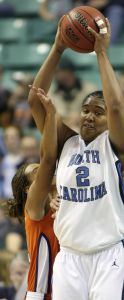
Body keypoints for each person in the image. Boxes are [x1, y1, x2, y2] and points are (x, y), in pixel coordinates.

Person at [28, 17, 124, 300]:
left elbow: (116, 105)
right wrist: (57, 49)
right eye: (86, 110)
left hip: (110, 255)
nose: (90, 115)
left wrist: (101, 53)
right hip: (69, 256)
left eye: (97, 112)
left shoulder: (115, 145)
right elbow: (34, 101)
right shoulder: (67, 142)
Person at [8, 88, 59, 300]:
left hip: (66, 289)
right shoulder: (34, 209)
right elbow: (48, 158)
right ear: (29, 190)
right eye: (36, 172)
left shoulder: (60, 198)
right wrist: (50, 116)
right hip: (40, 294)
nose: (44, 170)